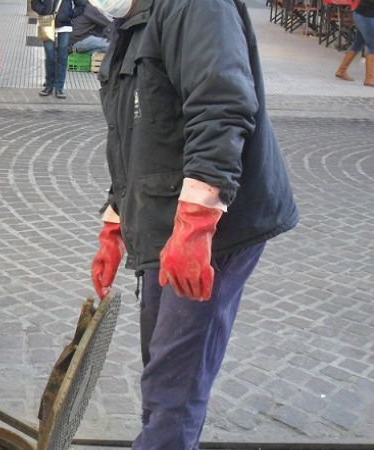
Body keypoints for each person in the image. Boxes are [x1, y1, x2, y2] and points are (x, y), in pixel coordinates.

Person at [88, 0, 299, 448]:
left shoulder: (195, 6)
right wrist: (116, 221)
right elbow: (135, 132)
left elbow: (220, 106)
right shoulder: (130, 20)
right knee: (161, 362)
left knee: (174, 384)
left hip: (215, 228)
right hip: (165, 217)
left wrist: (196, 226)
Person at [32, 0, 87, 99]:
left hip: (64, 24)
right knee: (50, 56)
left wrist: (70, 13)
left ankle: (59, 87)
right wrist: (44, 10)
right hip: (46, 21)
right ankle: (49, 85)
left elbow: (82, 4)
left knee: (62, 56)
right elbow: (34, 2)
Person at [334, 0, 374, 87]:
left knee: (358, 44)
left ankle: (341, 71)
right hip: (365, 16)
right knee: (372, 45)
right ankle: (370, 78)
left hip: (361, 15)